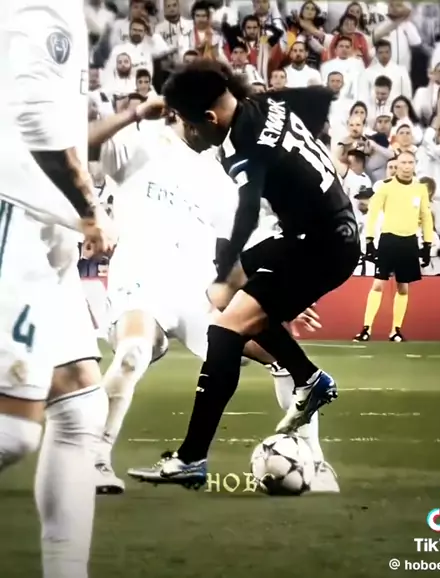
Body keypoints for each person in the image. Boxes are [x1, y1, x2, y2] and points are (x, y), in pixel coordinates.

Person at [92, 112, 337, 494]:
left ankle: (316, 464)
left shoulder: (220, 172)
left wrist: (279, 291)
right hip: (142, 280)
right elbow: (85, 144)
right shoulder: (141, 140)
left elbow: (242, 243)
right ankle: (95, 460)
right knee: (133, 352)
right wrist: (137, 111)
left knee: (281, 354)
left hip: (200, 289)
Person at [151, 59, 360, 488]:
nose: (190, 133)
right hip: (323, 232)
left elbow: (247, 214)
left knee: (224, 327)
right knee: (229, 301)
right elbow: (320, 97)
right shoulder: (266, 103)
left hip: (319, 246)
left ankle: (191, 458)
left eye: (190, 124)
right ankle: (308, 378)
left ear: (210, 118)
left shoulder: (241, 143)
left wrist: (225, 272)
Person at [0, 1, 115, 577]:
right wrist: (90, 209)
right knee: (11, 433)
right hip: (15, 211)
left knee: (78, 402)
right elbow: (34, 117)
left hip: (44, 222)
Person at [354, 151, 434, 342]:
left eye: (410, 162)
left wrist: (427, 244)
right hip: (388, 239)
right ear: (397, 165)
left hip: (409, 241)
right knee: (378, 284)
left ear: (414, 165)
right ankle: (366, 329)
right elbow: (373, 213)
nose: (406, 166)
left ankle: (395, 330)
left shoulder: (420, 189)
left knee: (403, 287)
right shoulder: (385, 187)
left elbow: (426, 217)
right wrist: (369, 240)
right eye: (403, 162)